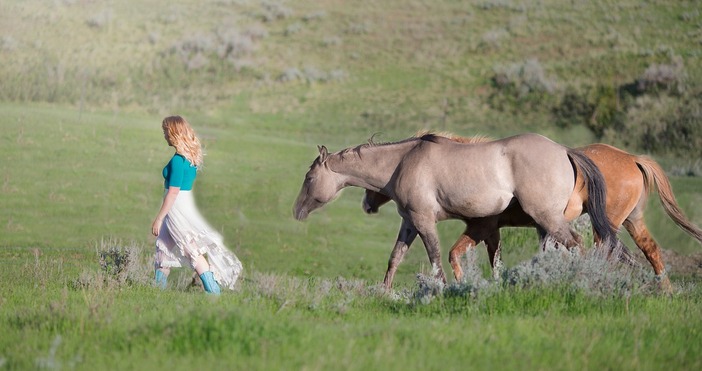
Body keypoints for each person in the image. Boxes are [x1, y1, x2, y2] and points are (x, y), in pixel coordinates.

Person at [151, 115, 242, 294]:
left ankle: (213, 291)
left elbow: (173, 192)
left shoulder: (178, 160)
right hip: (180, 205)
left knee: (190, 249)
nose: (164, 135)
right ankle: (156, 291)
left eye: (165, 132)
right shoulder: (189, 158)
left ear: (173, 133)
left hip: (176, 207)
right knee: (163, 249)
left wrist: (159, 218)